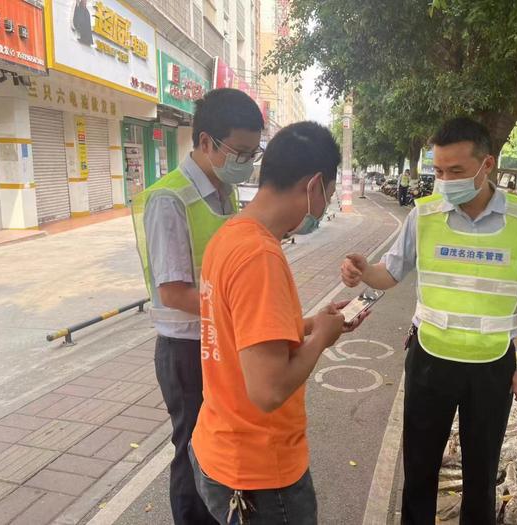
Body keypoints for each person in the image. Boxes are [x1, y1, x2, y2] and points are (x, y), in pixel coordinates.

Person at [341, 117, 517, 525]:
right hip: (430, 359)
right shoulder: (424, 215)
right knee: (420, 469)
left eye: (456, 171)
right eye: (438, 171)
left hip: (492, 365)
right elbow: (389, 273)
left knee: (481, 474)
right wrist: (361, 269)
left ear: (486, 165)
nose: (445, 181)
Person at [189, 122, 369, 524]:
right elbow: (268, 391)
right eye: (329, 193)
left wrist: (308, 325)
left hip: (219, 446)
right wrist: (321, 339)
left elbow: (244, 330)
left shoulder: (231, 235)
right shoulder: (260, 257)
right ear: (314, 185)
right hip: (259, 475)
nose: (325, 207)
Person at [132, 88, 264, 525]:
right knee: (192, 447)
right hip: (186, 350)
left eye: (252, 152)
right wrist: (241, 315)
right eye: (240, 151)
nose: (245, 161)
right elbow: (172, 293)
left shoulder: (224, 191)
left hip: (216, 341)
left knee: (219, 444)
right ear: (206, 142)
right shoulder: (170, 199)